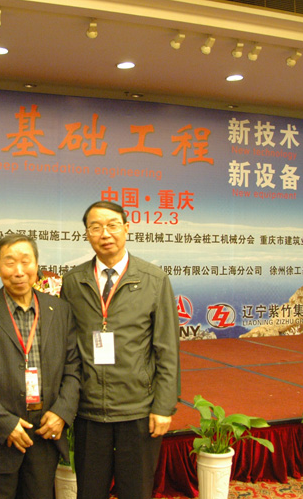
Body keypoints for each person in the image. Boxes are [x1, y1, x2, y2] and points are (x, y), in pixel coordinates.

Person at [60, 200, 180, 499]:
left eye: (112, 225)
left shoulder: (154, 279)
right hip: (89, 410)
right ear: (87, 234)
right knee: (89, 491)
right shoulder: (73, 281)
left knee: (136, 490)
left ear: (126, 228)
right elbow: (66, 348)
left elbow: (167, 348)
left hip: (137, 408)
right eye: (96, 227)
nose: (105, 233)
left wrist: (163, 406)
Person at [0, 233, 81, 499]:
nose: (19, 271)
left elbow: (73, 367)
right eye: (10, 262)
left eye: (26, 261)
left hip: (44, 436)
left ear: (37, 265)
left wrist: (61, 412)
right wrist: (5, 425)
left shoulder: (60, 310)